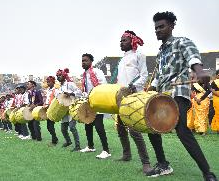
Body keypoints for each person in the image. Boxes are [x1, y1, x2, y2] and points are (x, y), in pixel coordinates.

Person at [146, 11, 217, 181]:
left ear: (172, 26)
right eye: (156, 28)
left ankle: (208, 173)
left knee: (182, 130)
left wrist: (199, 71)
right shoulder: (160, 51)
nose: (158, 30)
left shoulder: (181, 42)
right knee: (150, 126)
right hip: (162, 95)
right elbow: (158, 75)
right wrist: (151, 89)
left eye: (161, 26)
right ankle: (163, 164)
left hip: (177, 93)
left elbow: (192, 55)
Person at [111, 30, 151, 173]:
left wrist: (134, 86)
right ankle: (126, 155)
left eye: (124, 40)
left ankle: (146, 163)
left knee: (134, 131)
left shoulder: (139, 55)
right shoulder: (121, 59)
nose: (121, 43)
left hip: (134, 96)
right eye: (120, 41)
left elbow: (144, 75)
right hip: (121, 97)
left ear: (132, 41)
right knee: (121, 128)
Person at [79, 53, 111, 159]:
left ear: (91, 62)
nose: (83, 62)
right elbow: (85, 90)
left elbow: (103, 85)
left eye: (85, 60)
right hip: (89, 103)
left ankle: (106, 150)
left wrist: (92, 95)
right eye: (82, 61)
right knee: (87, 124)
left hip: (98, 102)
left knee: (99, 126)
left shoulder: (97, 71)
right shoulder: (84, 75)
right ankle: (90, 146)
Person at [56, 68, 82, 152]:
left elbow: (79, 92)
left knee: (72, 127)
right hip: (64, 110)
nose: (58, 77)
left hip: (72, 108)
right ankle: (68, 141)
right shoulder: (59, 88)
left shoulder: (70, 84)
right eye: (57, 76)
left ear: (64, 76)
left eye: (59, 75)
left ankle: (78, 146)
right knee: (63, 129)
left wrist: (70, 94)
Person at [44, 76, 59, 146]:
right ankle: (55, 139)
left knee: (50, 126)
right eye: (47, 82)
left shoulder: (55, 90)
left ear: (53, 82)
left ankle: (54, 141)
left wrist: (50, 106)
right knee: (49, 126)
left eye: (49, 82)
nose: (48, 83)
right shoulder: (48, 90)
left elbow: (57, 100)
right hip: (47, 109)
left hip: (52, 109)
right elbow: (47, 99)